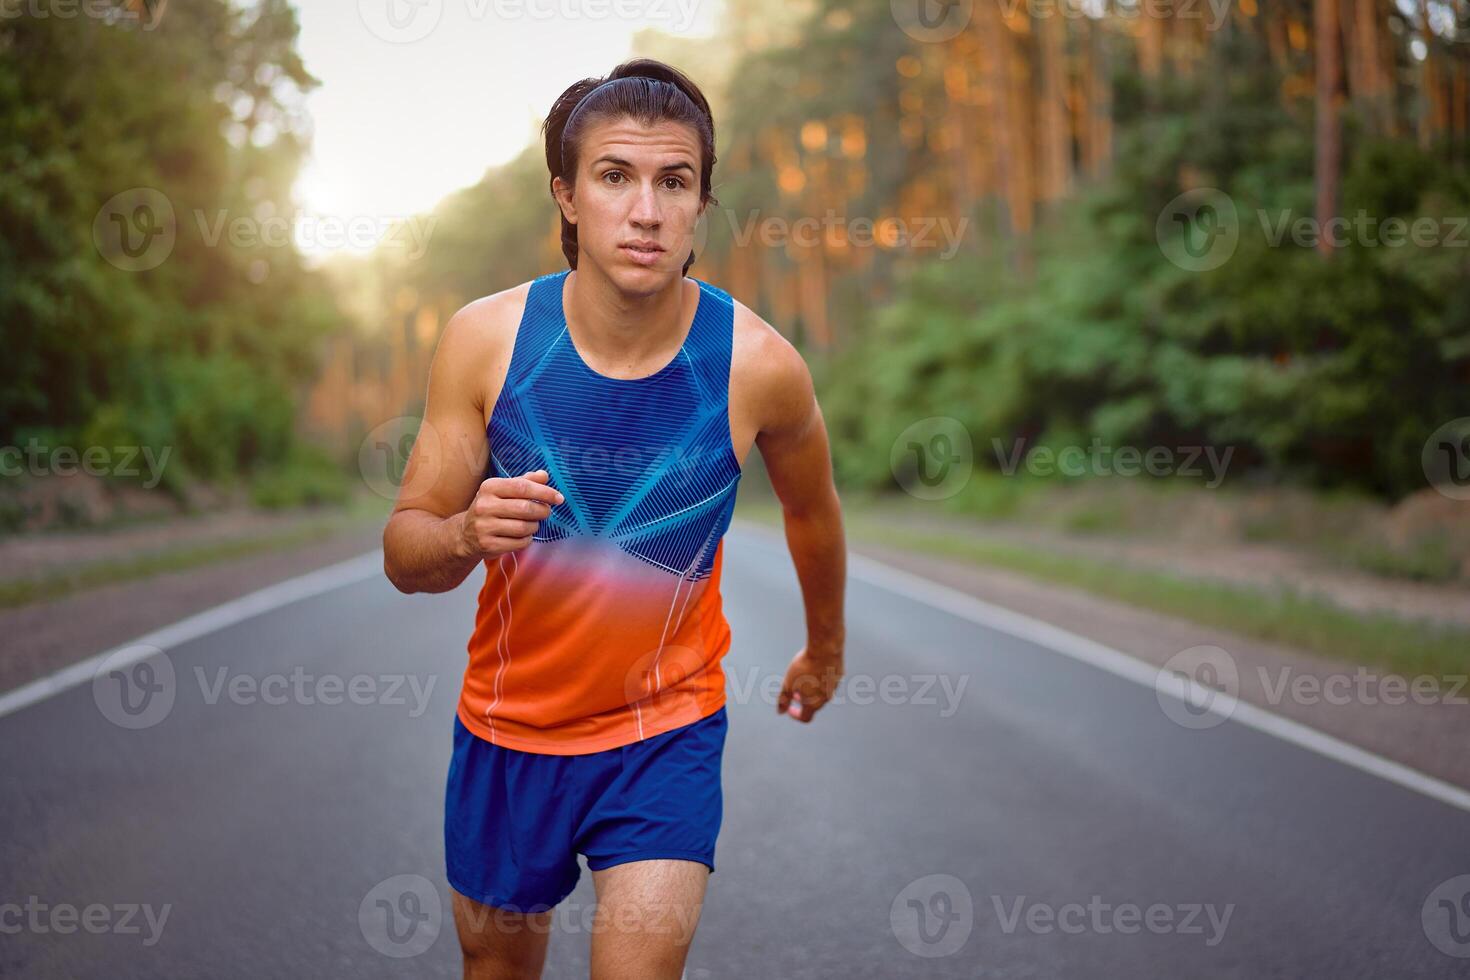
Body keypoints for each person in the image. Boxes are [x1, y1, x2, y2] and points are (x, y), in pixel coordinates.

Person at [382, 58, 847, 980]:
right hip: (507, 734)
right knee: (497, 968)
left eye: (675, 182)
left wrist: (825, 648)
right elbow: (406, 549)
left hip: (663, 732)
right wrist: (467, 533)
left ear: (702, 205)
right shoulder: (487, 340)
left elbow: (812, 511)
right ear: (566, 195)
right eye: (614, 177)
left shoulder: (759, 365)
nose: (647, 211)